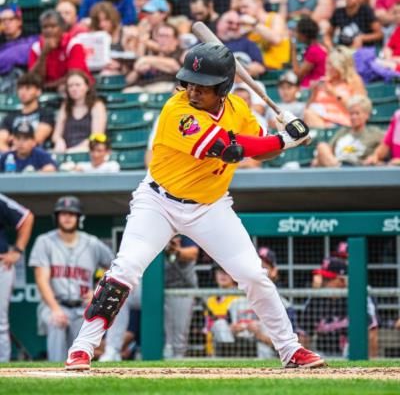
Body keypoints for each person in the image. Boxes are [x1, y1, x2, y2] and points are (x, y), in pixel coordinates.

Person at [65, 42, 323, 370]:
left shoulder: (239, 111)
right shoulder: (177, 110)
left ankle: (291, 349)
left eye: (203, 86)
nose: (193, 90)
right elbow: (226, 148)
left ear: (223, 88)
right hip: (158, 201)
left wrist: (283, 140)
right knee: (125, 268)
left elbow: (259, 151)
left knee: (253, 275)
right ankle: (82, 348)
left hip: (209, 206)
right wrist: (286, 139)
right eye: (190, 82)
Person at [29, 196, 113, 362]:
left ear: (79, 218)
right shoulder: (44, 242)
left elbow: (115, 267)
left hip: (82, 305)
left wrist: (98, 291)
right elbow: (41, 279)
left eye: (72, 214)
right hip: (54, 304)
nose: (67, 217)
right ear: (57, 217)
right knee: (56, 322)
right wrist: (55, 309)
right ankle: (54, 374)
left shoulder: (92, 243)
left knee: (81, 343)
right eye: (63, 213)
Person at [298, 257, 379, 358]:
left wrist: (370, 366)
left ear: (342, 280)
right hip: (324, 355)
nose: (323, 283)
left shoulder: (358, 298)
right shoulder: (315, 299)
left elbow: (372, 334)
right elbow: (303, 337)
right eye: (322, 278)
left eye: (328, 279)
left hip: (353, 356)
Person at [0, 194, 34, 362]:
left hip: (1, 264)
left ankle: (2, 367)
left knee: (0, 322)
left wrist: (17, 251)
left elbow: (26, 217)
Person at [28, 9, 93, 91]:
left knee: (65, 88)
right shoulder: (36, 48)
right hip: (47, 89)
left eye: (53, 26)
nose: (49, 30)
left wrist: (48, 86)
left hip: (77, 88)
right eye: (45, 27)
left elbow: (74, 75)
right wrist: (43, 54)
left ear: (62, 28)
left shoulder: (73, 44)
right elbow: (33, 79)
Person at [304, 46, 366, 129]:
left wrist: (334, 93)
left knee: (309, 114)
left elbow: (359, 108)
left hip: (342, 123)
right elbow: (308, 107)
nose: (328, 67)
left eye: (331, 64)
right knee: (308, 113)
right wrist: (313, 93)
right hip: (321, 122)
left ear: (341, 66)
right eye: (327, 63)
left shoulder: (354, 81)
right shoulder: (323, 81)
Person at [313, 95, 384, 167]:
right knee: (321, 146)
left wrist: (375, 156)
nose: (353, 117)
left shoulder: (374, 133)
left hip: (357, 168)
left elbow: (387, 143)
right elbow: (328, 151)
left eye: (357, 113)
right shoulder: (343, 132)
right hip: (337, 165)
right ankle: (337, 168)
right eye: (351, 113)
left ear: (367, 115)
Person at [52, 70, 107, 153]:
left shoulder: (97, 105)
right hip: (66, 149)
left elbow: (96, 135)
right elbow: (56, 134)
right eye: (70, 86)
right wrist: (59, 141)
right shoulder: (65, 106)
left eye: (78, 85)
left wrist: (77, 149)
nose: (74, 89)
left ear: (87, 87)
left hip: (88, 149)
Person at [164, 235, 199, 359]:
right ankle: (112, 349)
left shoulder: (185, 234)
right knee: (165, 334)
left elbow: (194, 253)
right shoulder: (156, 233)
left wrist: (176, 250)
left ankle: (177, 362)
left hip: (183, 289)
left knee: (179, 334)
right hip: (159, 289)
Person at [0, 73, 54, 152]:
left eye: (28, 88)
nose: (23, 92)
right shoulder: (10, 117)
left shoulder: (46, 114)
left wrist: (13, 138)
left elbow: (38, 138)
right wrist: (11, 155)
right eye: (20, 88)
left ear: (38, 91)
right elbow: (1, 141)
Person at [124, 23, 183, 93]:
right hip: (142, 87)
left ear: (176, 40)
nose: (162, 40)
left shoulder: (179, 53)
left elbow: (175, 66)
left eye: (166, 36)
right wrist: (137, 71)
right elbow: (128, 80)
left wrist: (145, 60)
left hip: (164, 87)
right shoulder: (150, 52)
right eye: (160, 36)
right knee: (126, 92)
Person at [238, 0, 290, 70]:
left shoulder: (274, 18)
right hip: (256, 69)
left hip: (277, 70)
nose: (242, 11)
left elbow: (276, 39)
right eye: (240, 8)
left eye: (245, 7)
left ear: (258, 3)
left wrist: (254, 23)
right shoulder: (247, 26)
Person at [216, 10, 265, 78]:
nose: (234, 26)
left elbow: (260, 68)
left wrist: (243, 69)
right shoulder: (207, 42)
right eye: (230, 23)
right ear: (219, 23)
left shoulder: (248, 43)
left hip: (241, 84)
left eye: (238, 24)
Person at [0, 5, 38, 90]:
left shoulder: (31, 37)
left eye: (10, 19)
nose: (6, 23)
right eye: (2, 20)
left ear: (19, 21)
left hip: (26, 81)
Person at [291, 16, 327, 89]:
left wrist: (293, 50)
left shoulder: (314, 51)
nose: (296, 35)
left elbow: (298, 73)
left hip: (311, 89)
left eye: (297, 32)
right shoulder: (318, 46)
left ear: (304, 35)